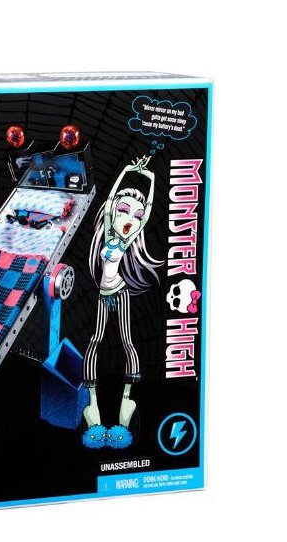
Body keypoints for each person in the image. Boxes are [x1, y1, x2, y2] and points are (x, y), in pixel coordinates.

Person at [81, 156, 162, 449]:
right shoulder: (109, 234)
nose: (130, 220)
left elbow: (148, 211)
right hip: (104, 294)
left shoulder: (128, 240)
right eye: (125, 212)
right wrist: (127, 170)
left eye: (135, 216)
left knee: (127, 341)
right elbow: (110, 199)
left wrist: (151, 178)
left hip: (121, 292)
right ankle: (92, 402)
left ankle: (127, 399)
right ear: (114, 212)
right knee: (96, 339)